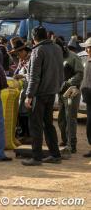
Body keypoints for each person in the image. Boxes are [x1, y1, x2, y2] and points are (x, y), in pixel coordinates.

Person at [22, 27, 64, 166]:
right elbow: (60, 72)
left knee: (35, 125)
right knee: (48, 124)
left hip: (39, 94)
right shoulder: (57, 48)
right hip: (52, 92)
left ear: (34, 38)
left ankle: (36, 157)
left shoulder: (37, 51)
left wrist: (29, 95)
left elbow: (34, 77)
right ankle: (55, 154)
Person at [54, 38, 83, 155]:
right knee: (61, 118)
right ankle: (65, 141)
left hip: (72, 91)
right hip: (61, 92)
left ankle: (72, 145)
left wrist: (68, 82)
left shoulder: (73, 57)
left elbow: (80, 73)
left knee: (70, 118)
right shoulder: (55, 56)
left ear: (62, 47)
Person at [9, 37, 32, 143]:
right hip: (22, 89)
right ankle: (22, 133)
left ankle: (28, 135)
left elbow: (33, 75)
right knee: (21, 112)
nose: (17, 56)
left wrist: (21, 76)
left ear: (23, 51)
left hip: (30, 90)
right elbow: (17, 71)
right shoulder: (21, 60)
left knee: (26, 113)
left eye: (18, 53)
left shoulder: (32, 58)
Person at [79, 38, 91, 158]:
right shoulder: (87, 61)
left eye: (89, 47)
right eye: (87, 47)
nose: (88, 50)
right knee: (89, 124)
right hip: (88, 98)